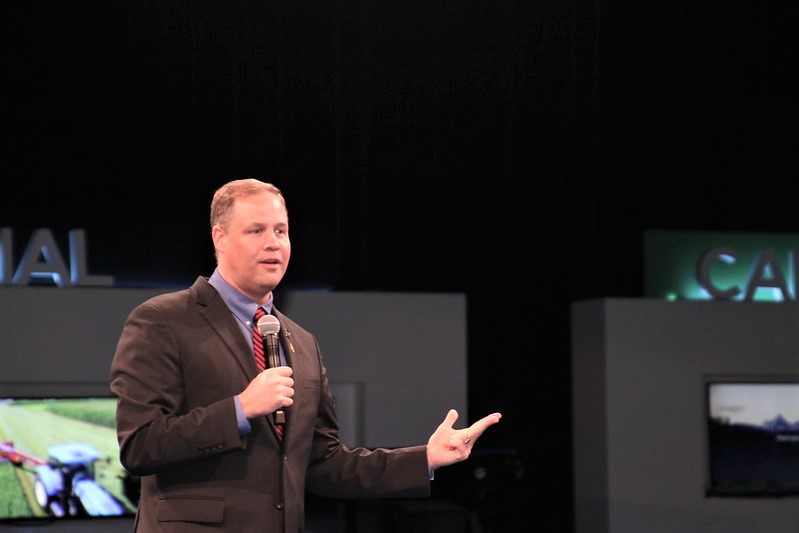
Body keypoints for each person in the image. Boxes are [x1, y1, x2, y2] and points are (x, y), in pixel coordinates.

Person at [109, 177, 502, 532]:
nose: (273, 243)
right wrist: (240, 409)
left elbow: (324, 462)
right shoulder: (163, 320)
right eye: (256, 230)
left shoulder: (300, 341)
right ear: (219, 238)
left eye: (281, 230)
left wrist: (425, 459)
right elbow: (140, 444)